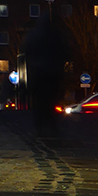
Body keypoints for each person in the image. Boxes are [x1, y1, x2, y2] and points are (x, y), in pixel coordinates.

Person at [21, 8, 71, 138]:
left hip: (38, 74)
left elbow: (26, 50)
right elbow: (67, 51)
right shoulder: (58, 35)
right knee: (51, 101)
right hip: (53, 74)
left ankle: (41, 128)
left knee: (40, 103)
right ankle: (52, 127)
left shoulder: (34, 34)